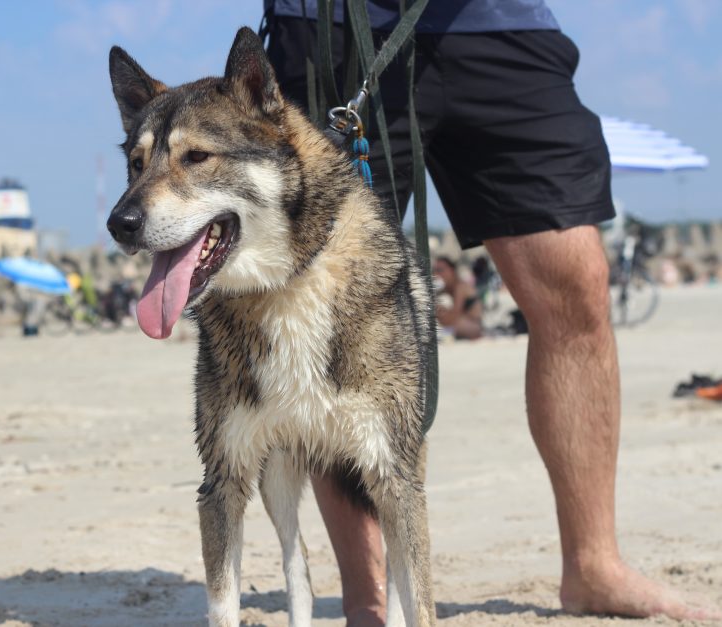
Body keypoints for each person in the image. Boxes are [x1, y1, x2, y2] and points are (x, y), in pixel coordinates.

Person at [263, 0, 719, 623]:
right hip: (338, 25)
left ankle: (594, 569)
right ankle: (371, 599)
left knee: (576, 281)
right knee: (336, 300)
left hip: (502, 23)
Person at [433, 256, 482, 340]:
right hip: (464, 323)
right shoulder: (449, 287)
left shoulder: (460, 287)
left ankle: (447, 332)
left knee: (437, 309)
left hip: (474, 326)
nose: (437, 274)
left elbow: (456, 313)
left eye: (440, 270)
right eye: (435, 271)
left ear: (452, 270)